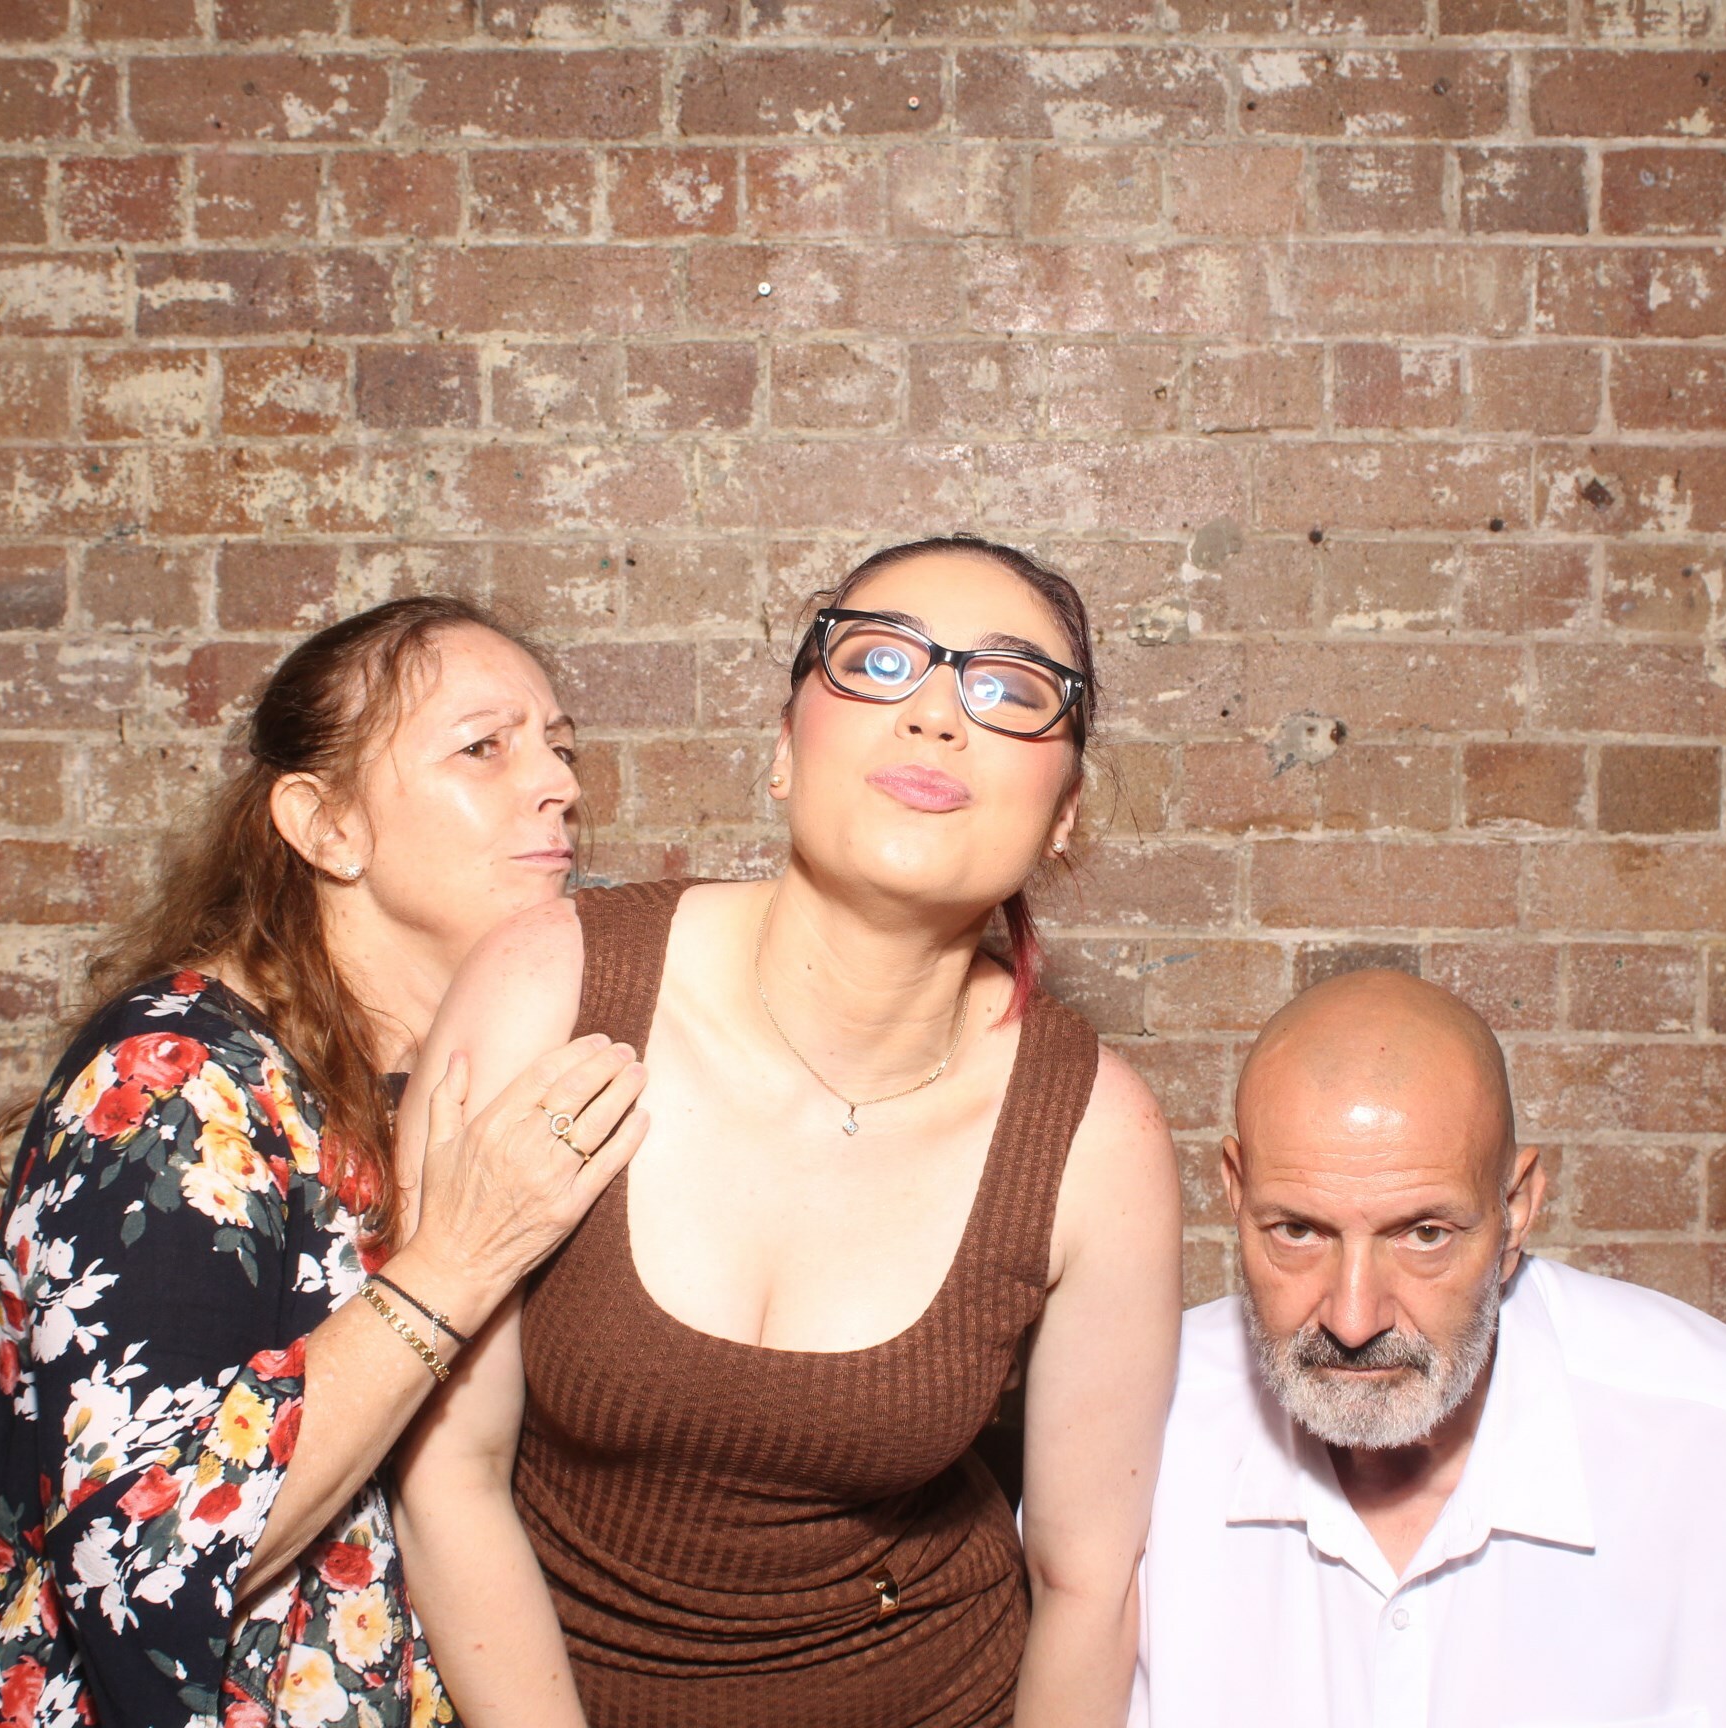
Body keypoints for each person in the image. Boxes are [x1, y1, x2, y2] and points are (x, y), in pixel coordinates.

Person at [388, 537, 1182, 1727]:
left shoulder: (1097, 1136)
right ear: (782, 748)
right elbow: (445, 1475)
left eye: (1011, 691)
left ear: (1062, 813)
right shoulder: (547, 989)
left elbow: (1088, 1581)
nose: (935, 716)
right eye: (879, 661)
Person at [0, 597, 652, 1728]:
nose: (556, 784)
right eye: (484, 748)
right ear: (325, 825)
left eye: (560, 747)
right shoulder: (174, 1084)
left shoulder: (490, 1062)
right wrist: (457, 1262)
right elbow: (144, 1557)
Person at [1133, 969, 1726, 1728]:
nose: (1354, 1319)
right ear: (1234, 1192)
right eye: (1298, 1231)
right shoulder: (1132, 1441)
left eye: (1425, 1234)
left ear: (1516, 1210)